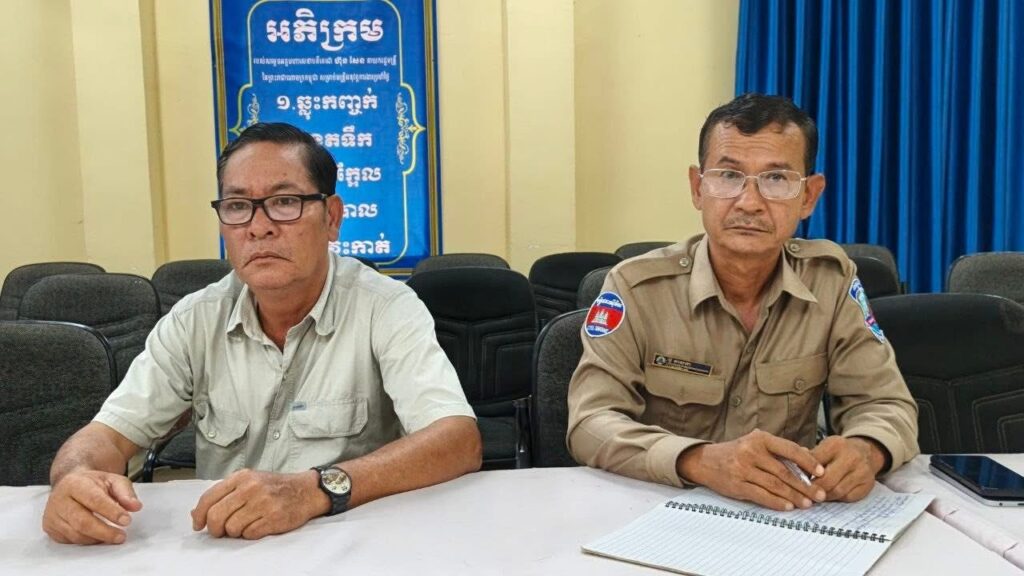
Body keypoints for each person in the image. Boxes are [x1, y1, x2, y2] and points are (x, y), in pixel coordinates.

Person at [42, 122, 481, 545]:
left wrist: (315, 490)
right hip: (228, 545)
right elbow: (108, 435)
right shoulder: (195, 319)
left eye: (285, 202)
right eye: (238, 206)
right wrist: (74, 479)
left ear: (331, 218)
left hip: (352, 543)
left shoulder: (385, 307)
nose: (259, 226)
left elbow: (457, 439)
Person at [566, 93, 918, 512]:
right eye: (729, 176)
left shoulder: (831, 282)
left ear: (809, 196)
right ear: (698, 188)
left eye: (777, 179)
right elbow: (590, 422)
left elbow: (886, 403)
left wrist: (867, 449)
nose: (749, 203)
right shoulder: (637, 288)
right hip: (663, 510)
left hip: (790, 513)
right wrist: (698, 460)